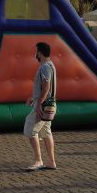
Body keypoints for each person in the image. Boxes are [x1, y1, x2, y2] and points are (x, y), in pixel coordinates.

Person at [24, 42, 57, 172]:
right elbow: (45, 88)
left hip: (43, 106)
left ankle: (38, 160)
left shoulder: (45, 67)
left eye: (36, 52)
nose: (35, 54)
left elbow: (46, 87)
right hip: (49, 105)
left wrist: (38, 104)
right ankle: (51, 162)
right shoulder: (51, 65)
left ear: (40, 53)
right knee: (46, 132)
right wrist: (33, 98)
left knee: (30, 129)